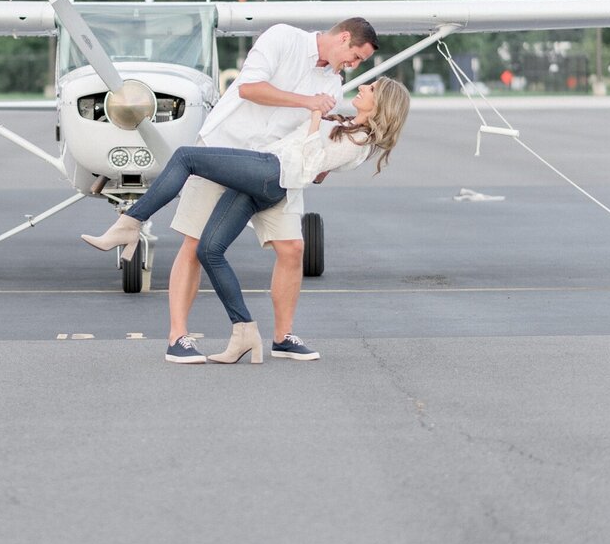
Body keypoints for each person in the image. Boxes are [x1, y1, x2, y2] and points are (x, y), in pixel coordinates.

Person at [82, 78, 410, 363]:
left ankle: (131, 223)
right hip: (268, 181)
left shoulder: (360, 142)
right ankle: (244, 331)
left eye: (372, 88)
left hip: (272, 172)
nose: (364, 87)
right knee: (209, 250)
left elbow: (310, 166)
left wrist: (313, 115)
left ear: (381, 104)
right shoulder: (349, 127)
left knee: (186, 157)